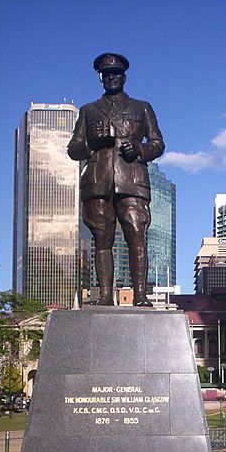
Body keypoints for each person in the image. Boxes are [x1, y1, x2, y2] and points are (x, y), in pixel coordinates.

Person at [68, 52, 165, 306]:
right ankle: (104, 297)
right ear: (101, 78)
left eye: (115, 73)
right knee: (102, 241)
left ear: (124, 76)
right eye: (106, 74)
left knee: (136, 237)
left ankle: (141, 296)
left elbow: (157, 143)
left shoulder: (141, 107)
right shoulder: (88, 110)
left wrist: (140, 149)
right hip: (98, 183)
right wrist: (91, 143)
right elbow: (73, 148)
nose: (111, 77)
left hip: (132, 181)